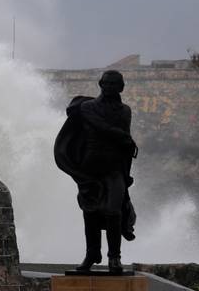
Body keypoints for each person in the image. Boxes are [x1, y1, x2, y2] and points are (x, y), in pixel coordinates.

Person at [54, 70, 137, 274]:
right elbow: (105, 129)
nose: (109, 87)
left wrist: (127, 174)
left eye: (114, 84)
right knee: (90, 212)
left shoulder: (125, 111)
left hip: (115, 169)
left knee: (113, 210)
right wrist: (121, 136)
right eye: (106, 83)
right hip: (90, 169)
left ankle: (114, 257)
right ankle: (92, 254)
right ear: (100, 84)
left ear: (121, 88)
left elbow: (123, 143)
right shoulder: (87, 108)